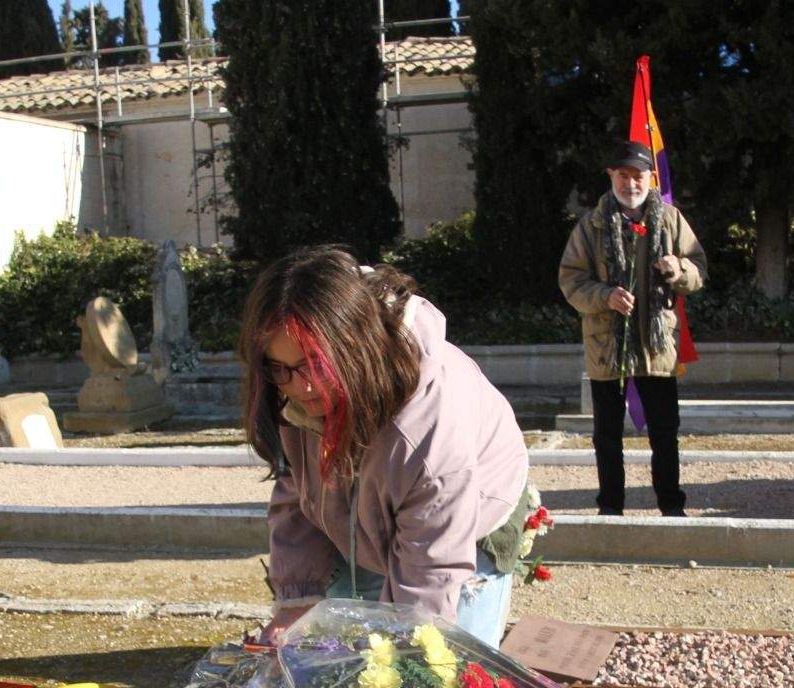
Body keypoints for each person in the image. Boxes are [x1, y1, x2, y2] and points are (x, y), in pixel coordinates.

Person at [242, 246, 530, 649]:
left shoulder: (428, 428)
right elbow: (299, 494)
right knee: (328, 656)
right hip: (365, 513)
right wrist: (296, 603)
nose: (299, 387)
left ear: (354, 349)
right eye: (281, 368)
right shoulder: (292, 395)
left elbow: (432, 571)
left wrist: (410, 661)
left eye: (314, 365)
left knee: (449, 668)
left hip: (465, 518)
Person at [559, 141, 708, 517]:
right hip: (607, 346)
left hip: (657, 347)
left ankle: (672, 507)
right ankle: (610, 507)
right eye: (623, 175)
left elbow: (699, 268)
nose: (630, 183)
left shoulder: (671, 219)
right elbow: (571, 280)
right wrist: (604, 296)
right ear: (611, 176)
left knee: (665, 433)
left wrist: (679, 270)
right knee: (607, 436)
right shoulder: (590, 225)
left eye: (638, 175)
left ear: (650, 178)